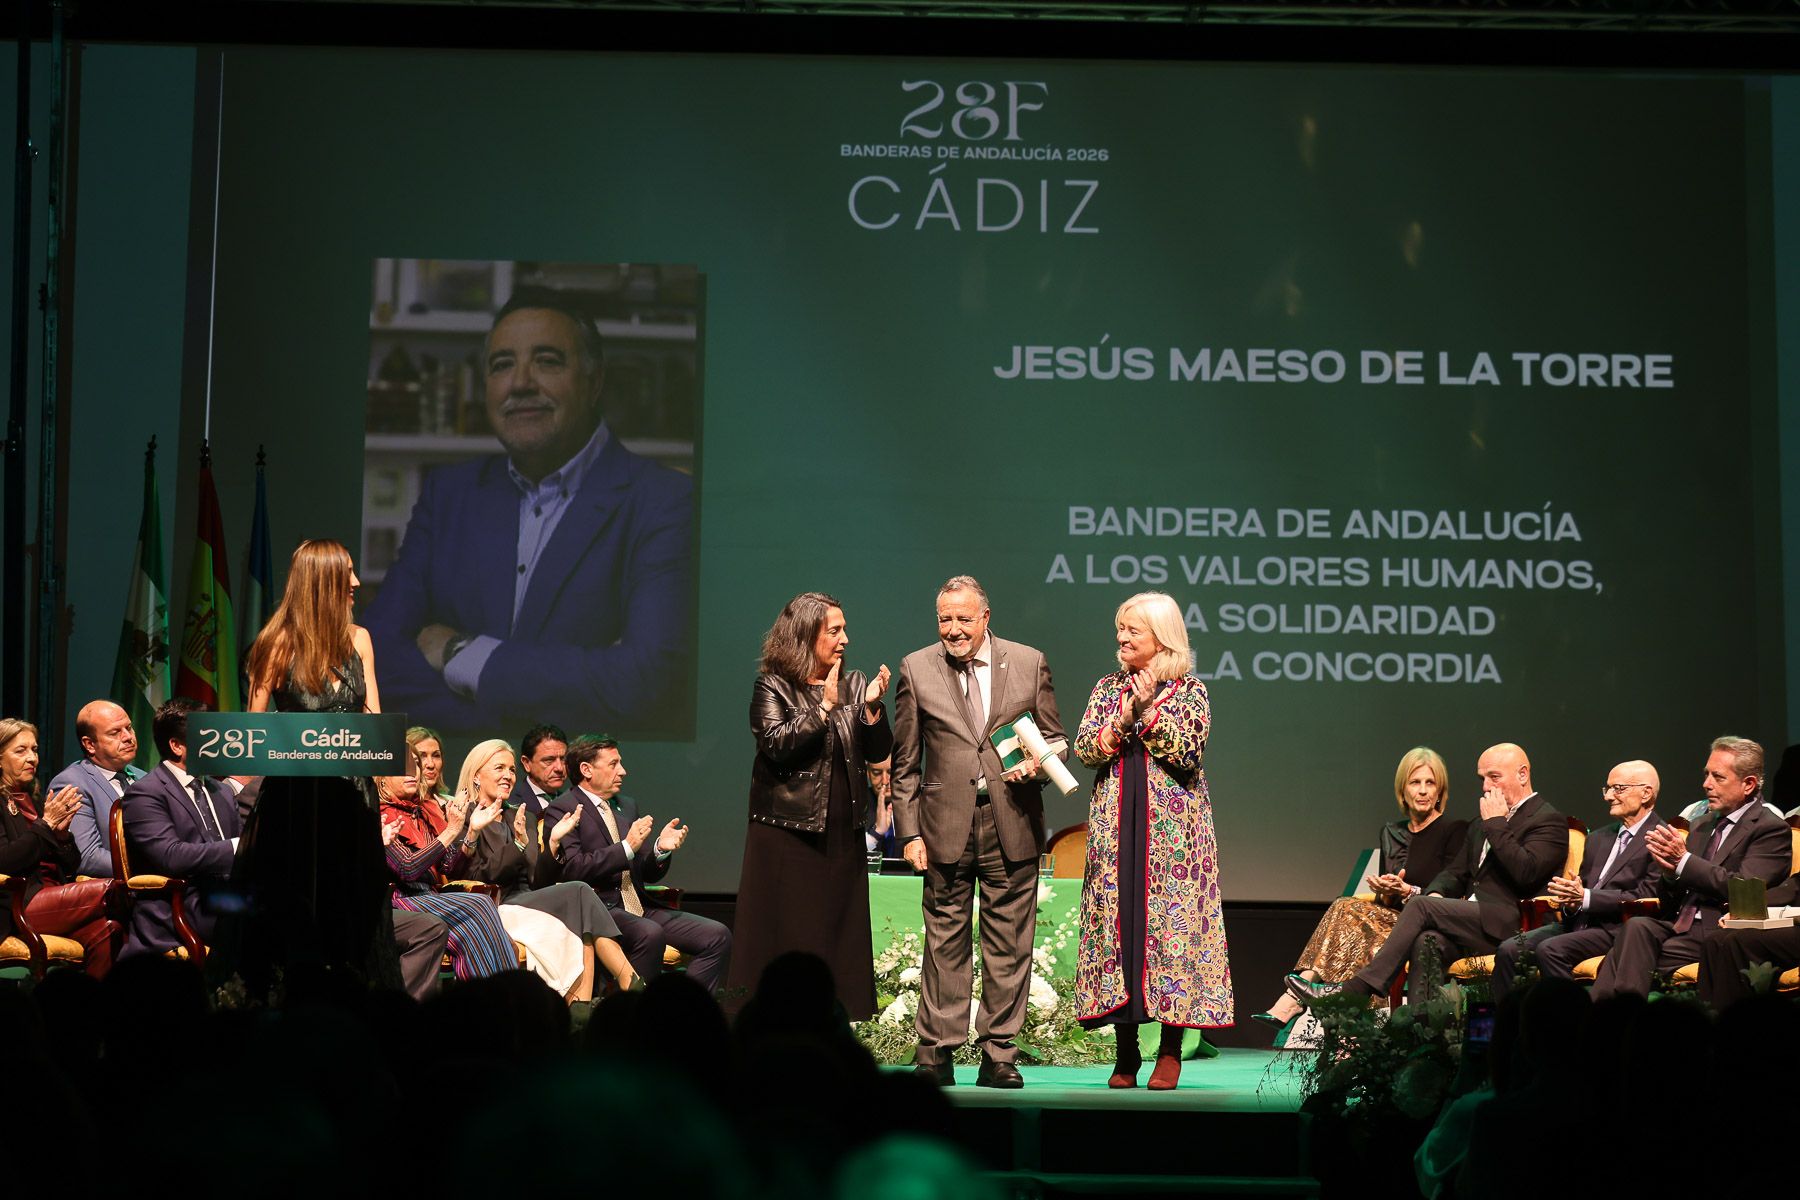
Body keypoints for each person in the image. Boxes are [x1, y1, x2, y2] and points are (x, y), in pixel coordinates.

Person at [364, 287, 695, 741]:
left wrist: (461, 654)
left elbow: (646, 681)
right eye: (502, 365)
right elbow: (375, 652)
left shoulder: (664, 499)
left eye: (547, 361)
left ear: (594, 381)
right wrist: (500, 734)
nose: (520, 382)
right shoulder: (449, 495)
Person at [891, 575, 1062, 1088]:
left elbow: (1054, 736)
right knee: (944, 938)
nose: (954, 629)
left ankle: (999, 1054)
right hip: (943, 823)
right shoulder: (916, 668)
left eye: (964, 618)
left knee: (1009, 942)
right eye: (945, 619)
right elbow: (905, 763)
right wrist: (908, 832)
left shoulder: (1028, 661)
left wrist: (1038, 763)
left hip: (1011, 817)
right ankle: (936, 1052)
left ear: (986, 617)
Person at [1073, 591, 1231, 1091]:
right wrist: (1122, 719)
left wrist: (1146, 713)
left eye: (1132, 630)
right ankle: (1125, 1053)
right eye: (1119, 628)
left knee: (1171, 932)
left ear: (1161, 636)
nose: (1121, 638)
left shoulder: (1190, 691)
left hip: (1174, 840)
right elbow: (1084, 749)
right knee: (1120, 928)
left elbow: (1186, 752)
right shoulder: (1107, 688)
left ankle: (1169, 1050)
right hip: (1116, 829)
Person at [1299, 743, 1568, 1008]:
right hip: (1474, 923)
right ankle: (1424, 1038)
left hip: (1515, 924)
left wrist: (1496, 824)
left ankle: (1357, 989)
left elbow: (1526, 873)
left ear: (1522, 774)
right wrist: (1438, 894)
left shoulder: (1547, 820)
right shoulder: (1480, 823)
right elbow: (1455, 873)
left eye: (1494, 777)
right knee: (1427, 942)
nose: (1486, 787)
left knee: (1421, 905)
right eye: (1482, 778)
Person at [241, 538, 399, 989]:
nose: (355, 582)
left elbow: (374, 722)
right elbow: (254, 734)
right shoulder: (275, 644)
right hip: (294, 802)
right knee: (293, 904)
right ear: (320, 582)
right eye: (345, 573)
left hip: (352, 800)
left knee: (353, 903)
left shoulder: (360, 640)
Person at [726, 592, 892, 1019]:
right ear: (805, 635)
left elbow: (878, 752)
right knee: (786, 929)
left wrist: (872, 708)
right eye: (834, 631)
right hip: (787, 831)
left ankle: (837, 1019)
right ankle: (770, 1019)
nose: (844, 639)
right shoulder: (773, 685)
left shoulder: (854, 682)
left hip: (842, 830)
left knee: (839, 931)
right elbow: (776, 744)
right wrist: (823, 710)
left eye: (844, 629)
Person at [1255, 747, 1466, 1028]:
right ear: (1402, 790)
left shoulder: (1455, 829)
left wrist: (1410, 891)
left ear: (1441, 791)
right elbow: (1387, 902)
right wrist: (1385, 890)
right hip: (1394, 919)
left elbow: (1453, 892)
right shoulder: (1393, 832)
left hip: (1428, 926)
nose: (1423, 791)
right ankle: (1322, 1015)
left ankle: (1295, 1000)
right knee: (1346, 910)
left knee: (1358, 933)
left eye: (1431, 783)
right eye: (1415, 783)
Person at [1591, 736, 1790, 1000]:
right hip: (1678, 925)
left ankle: (1614, 1022)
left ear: (1748, 784)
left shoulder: (1769, 828)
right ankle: (1612, 1020)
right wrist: (1669, 874)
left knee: (1627, 954)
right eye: (1706, 774)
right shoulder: (1701, 825)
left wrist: (1683, 861)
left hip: (1717, 930)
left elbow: (1743, 887)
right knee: (1637, 927)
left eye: (1718, 777)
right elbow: (1670, 896)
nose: (1706, 784)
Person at [454, 738, 645, 1001]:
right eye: (499, 768)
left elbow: (537, 880)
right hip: (496, 907)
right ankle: (627, 979)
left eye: (511, 770)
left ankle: (583, 1005)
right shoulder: (464, 816)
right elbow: (476, 877)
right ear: (476, 776)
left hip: (529, 899)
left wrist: (553, 843)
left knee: (580, 908)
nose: (508, 776)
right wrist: (518, 845)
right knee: (579, 892)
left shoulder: (522, 816)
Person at [553, 733, 732, 994]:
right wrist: (625, 848)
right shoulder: (565, 807)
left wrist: (660, 849)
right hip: (601, 908)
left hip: (639, 905)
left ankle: (686, 1011)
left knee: (718, 935)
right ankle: (633, 1019)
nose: (623, 771)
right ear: (586, 769)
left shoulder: (626, 805)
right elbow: (573, 868)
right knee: (650, 933)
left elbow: (645, 871)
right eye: (613, 764)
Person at [1488, 760, 1666, 1000]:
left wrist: (1587, 898)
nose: (1609, 796)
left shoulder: (1661, 837)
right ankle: (1512, 1028)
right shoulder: (1599, 838)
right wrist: (1571, 900)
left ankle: (1575, 1024)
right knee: (1509, 949)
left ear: (1646, 793)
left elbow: (1644, 896)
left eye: (1618, 788)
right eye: (1608, 788)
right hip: (1577, 924)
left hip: (1617, 929)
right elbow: (1581, 888)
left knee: (1550, 950)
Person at [118, 699, 243, 960]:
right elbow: (171, 857)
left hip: (225, 897)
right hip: (182, 904)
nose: (221, 745)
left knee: (297, 907)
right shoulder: (146, 793)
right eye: (210, 737)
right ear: (177, 746)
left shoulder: (220, 792)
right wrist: (236, 846)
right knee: (268, 920)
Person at [0, 718, 122, 977]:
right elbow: (6, 861)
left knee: (108, 930)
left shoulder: (31, 799)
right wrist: (46, 825)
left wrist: (63, 836)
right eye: (20, 751)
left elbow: (70, 864)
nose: (32, 758)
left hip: (51, 894)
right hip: (17, 904)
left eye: (34, 750)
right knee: (116, 890)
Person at [377, 770, 519, 979]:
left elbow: (449, 868)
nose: (412, 772)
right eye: (402, 766)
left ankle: (503, 999)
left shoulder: (424, 812)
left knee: (502, 939)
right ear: (381, 778)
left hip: (428, 897)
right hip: (400, 900)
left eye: (415, 764)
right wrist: (451, 831)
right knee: (479, 905)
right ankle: (496, 997)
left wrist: (472, 832)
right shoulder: (381, 816)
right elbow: (407, 869)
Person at [52, 700, 144, 877]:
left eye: (129, 727)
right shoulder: (72, 784)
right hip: (117, 896)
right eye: (115, 733)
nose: (128, 737)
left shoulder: (145, 777)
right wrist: (152, 868)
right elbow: (87, 857)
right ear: (89, 744)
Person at [511, 723, 569, 814]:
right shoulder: (511, 803)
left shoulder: (572, 802)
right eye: (549, 760)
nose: (559, 768)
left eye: (563, 759)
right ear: (527, 763)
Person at [406, 726, 454, 801]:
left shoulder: (453, 803)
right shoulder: (397, 808)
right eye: (421, 756)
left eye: (436, 755)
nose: (431, 765)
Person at [864, 757, 897, 860]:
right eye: (877, 773)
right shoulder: (857, 805)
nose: (885, 781)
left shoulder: (920, 805)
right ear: (867, 772)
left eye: (891, 772)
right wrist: (875, 834)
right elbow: (848, 859)